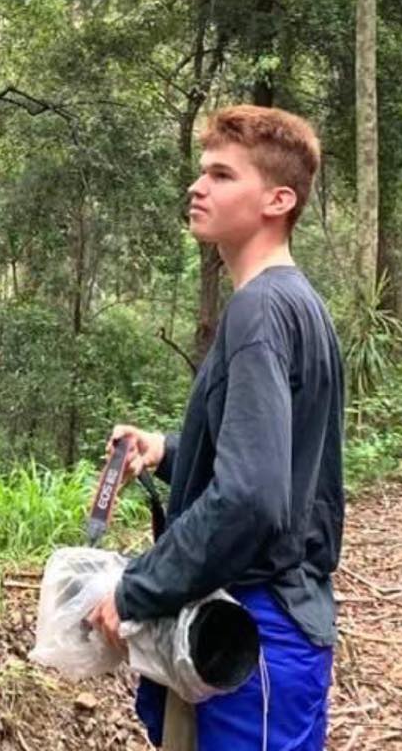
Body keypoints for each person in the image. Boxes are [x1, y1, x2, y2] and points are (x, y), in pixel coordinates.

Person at [88, 104, 344, 751]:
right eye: (202, 173)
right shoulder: (298, 305)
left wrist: (138, 589)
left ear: (278, 200)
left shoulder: (259, 312)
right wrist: (170, 451)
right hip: (276, 631)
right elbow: (280, 467)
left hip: (252, 636)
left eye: (223, 176)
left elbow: (253, 496)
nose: (198, 187)